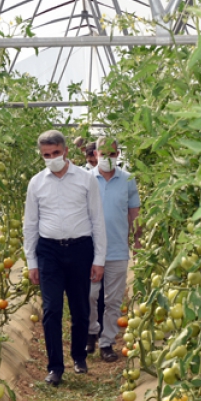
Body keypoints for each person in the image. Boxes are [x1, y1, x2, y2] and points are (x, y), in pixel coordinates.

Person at [23, 130, 106, 386]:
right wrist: (31, 262)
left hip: (81, 249)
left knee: (81, 308)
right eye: (46, 155)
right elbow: (31, 223)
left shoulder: (85, 179)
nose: (52, 158)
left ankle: (79, 356)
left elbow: (97, 219)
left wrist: (99, 258)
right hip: (49, 251)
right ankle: (55, 367)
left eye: (56, 153)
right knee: (52, 310)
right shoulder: (36, 183)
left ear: (66, 151)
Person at [89, 137, 141, 362]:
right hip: (89, 250)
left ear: (118, 154)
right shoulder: (86, 179)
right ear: (95, 155)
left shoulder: (128, 180)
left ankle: (107, 342)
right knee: (89, 295)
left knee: (113, 300)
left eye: (112, 154)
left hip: (118, 248)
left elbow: (134, 213)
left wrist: (137, 241)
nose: (108, 158)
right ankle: (91, 331)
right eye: (103, 154)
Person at [82, 141, 106, 353]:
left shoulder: (120, 176)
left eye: (94, 159)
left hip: (112, 242)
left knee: (105, 294)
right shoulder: (82, 177)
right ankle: (91, 333)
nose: (93, 163)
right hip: (89, 241)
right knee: (91, 293)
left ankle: (104, 337)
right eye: (90, 160)